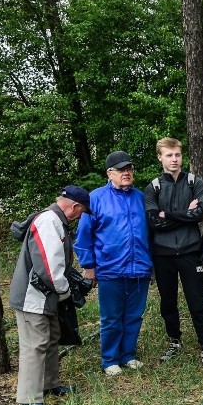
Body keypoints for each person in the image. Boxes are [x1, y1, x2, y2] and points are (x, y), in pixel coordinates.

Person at [11, 186, 90, 405]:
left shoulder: (55, 221)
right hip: (32, 298)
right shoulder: (48, 222)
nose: (80, 216)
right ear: (74, 207)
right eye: (82, 211)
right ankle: (29, 399)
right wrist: (67, 292)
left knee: (51, 339)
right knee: (34, 346)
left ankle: (50, 385)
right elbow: (48, 267)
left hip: (46, 297)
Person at [75, 151, 152, 376]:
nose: (126, 173)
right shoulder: (96, 198)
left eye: (129, 168)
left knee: (134, 315)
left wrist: (151, 264)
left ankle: (128, 355)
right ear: (109, 173)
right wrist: (89, 267)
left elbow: (151, 233)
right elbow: (83, 236)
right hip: (109, 269)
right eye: (120, 170)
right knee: (111, 317)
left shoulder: (141, 198)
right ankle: (110, 359)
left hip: (140, 267)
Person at [143, 137, 203, 366]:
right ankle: (174, 341)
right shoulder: (153, 187)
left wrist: (168, 214)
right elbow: (154, 223)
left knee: (197, 300)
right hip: (162, 253)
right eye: (169, 155)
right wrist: (184, 214)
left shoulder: (195, 183)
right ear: (160, 157)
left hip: (190, 250)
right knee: (168, 301)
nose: (174, 159)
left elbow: (199, 216)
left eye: (178, 155)